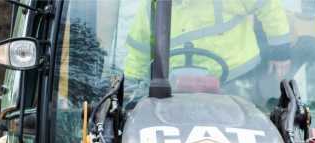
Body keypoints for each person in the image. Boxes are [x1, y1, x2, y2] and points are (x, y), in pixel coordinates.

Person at [123, 0, 293, 100]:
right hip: (177, 91)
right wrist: (131, 88)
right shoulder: (153, 5)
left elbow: (268, 5)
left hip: (237, 82)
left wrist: (280, 49)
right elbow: (139, 50)